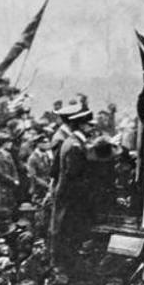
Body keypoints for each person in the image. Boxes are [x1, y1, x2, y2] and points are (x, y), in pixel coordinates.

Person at [49, 103, 96, 271]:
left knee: (65, 230)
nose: (92, 127)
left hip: (68, 195)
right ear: (81, 125)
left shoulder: (73, 142)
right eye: (89, 125)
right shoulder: (74, 146)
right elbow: (74, 176)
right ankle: (64, 267)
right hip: (70, 197)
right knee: (66, 231)